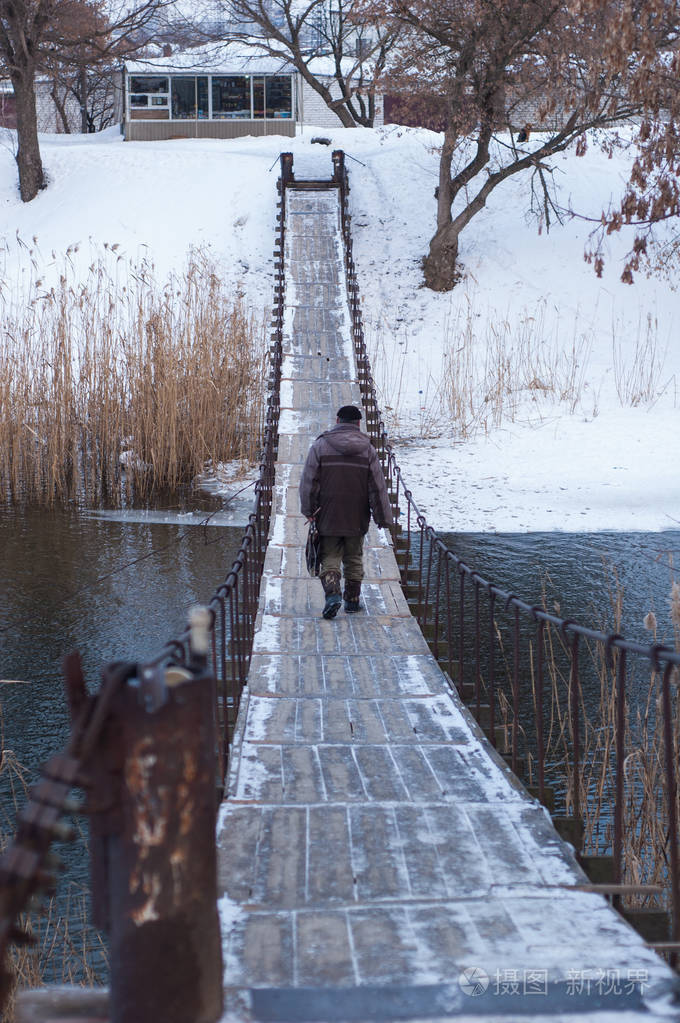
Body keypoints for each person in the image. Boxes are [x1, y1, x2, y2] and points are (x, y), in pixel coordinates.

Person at [299, 405, 393, 619]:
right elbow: (377, 486)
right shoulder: (368, 450)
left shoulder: (321, 445)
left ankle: (332, 596)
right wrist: (382, 517)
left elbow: (308, 481)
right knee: (354, 557)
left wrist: (309, 510)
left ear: (337, 420)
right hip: (357, 514)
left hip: (328, 513)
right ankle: (352, 601)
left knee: (329, 555)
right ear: (359, 423)